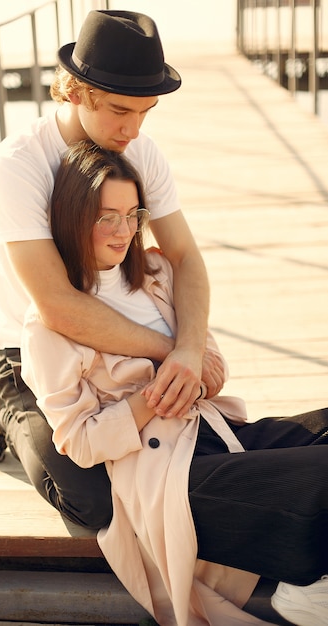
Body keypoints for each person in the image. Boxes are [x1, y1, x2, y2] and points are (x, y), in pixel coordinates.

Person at [21, 140, 328, 626]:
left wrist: (195, 374)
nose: (123, 232)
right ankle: (309, 586)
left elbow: (212, 362)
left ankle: (310, 580)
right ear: (72, 217)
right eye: (106, 217)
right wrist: (150, 399)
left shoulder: (159, 273)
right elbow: (78, 441)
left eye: (132, 214)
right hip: (165, 475)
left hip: (216, 432)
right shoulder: (48, 327)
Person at [0, 9, 223, 530]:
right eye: (118, 110)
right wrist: (171, 351)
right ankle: (6, 403)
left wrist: (193, 349)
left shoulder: (141, 152)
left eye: (146, 112)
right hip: (38, 356)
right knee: (96, 502)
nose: (132, 129)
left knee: (197, 453)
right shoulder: (19, 164)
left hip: (119, 344)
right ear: (76, 91)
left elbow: (184, 256)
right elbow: (57, 306)